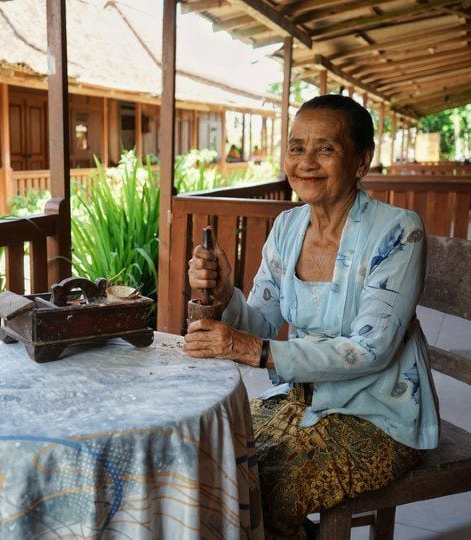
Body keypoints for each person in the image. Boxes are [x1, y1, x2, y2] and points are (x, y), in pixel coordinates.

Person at [184, 94, 439, 538]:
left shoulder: (399, 230)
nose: (306, 163)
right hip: (300, 403)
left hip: (377, 413)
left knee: (263, 488)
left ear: (362, 161)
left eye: (326, 149)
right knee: (208, 458)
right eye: (296, 147)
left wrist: (252, 350)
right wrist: (226, 295)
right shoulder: (287, 227)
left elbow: (369, 351)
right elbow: (260, 322)